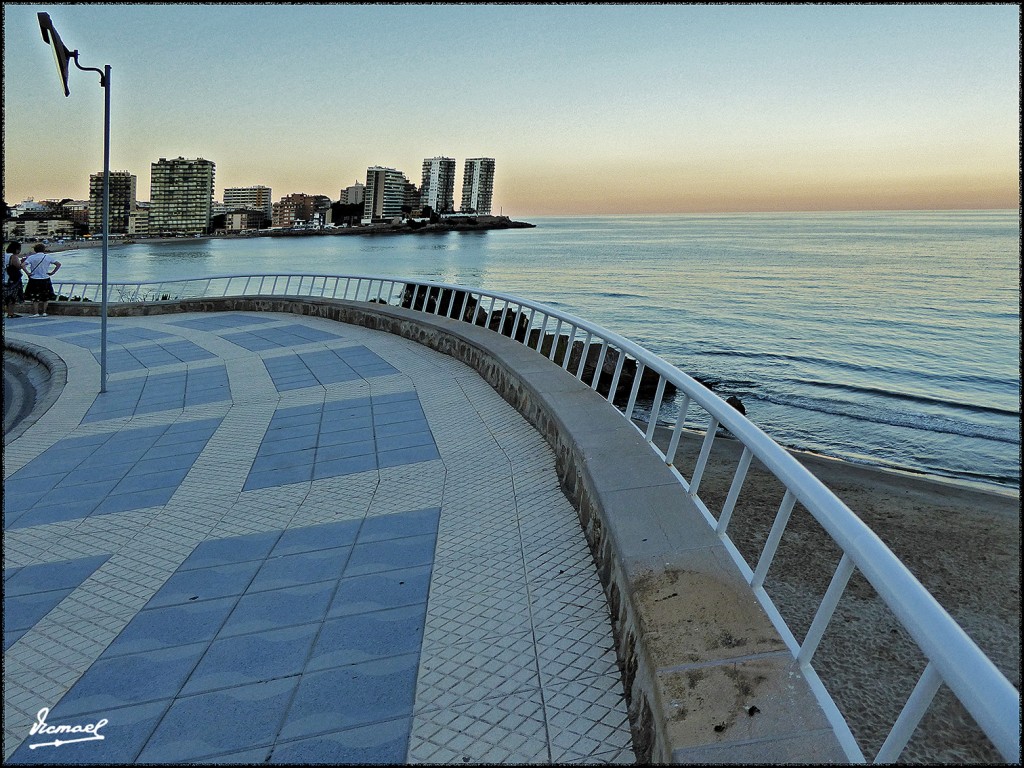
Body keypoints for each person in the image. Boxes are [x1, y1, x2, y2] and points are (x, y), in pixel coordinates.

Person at [23, 243, 61, 317]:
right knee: (45, 297)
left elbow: (22, 265)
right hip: (45, 278)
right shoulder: (48, 257)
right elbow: (58, 264)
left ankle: (36, 313)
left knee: (35, 298)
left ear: (35, 250)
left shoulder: (32, 257)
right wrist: (53, 272)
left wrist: (28, 273)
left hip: (34, 279)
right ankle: (44, 312)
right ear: (43, 249)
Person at [3, 241, 29, 318]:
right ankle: (10, 313)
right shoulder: (13, 256)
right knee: (12, 297)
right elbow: (18, 266)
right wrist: (23, 262)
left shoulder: (4, 255)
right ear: (17, 249)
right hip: (12, 279)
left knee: (5, 296)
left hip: (5, 278)